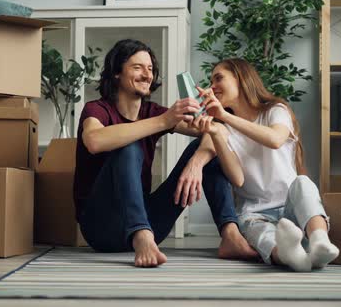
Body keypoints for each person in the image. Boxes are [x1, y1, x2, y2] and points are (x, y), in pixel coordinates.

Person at [73, 39, 257, 268]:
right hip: (101, 227)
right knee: (130, 145)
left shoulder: (153, 111)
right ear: (117, 73)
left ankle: (230, 234)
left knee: (211, 148)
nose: (146, 75)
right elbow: (94, 140)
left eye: (150, 69)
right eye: (137, 67)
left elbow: (218, 130)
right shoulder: (97, 109)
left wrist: (196, 164)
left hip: (151, 224)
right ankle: (141, 236)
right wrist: (163, 121)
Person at [190, 58, 339, 272]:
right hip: (255, 213)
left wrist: (223, 116)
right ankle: (291, 256)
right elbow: (237, 179)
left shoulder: (275, 110)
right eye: (211, 80)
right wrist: (214, 131)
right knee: (258, 231)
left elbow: (275, 139)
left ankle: (320, 242)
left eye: (219, 78)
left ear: (240, 78)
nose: (212, 86)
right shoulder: (224, 129)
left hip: (292, 206)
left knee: (303, 183)